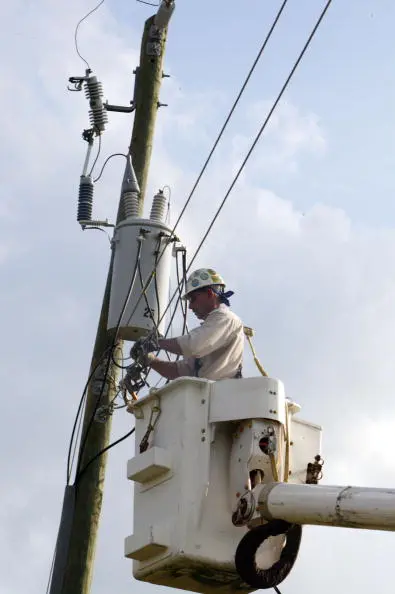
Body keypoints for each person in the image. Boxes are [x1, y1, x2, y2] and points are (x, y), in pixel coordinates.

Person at [137, 268, 244, 381]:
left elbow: (193, 345)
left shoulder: (226, 318)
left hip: (222, 393)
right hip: (207, 394)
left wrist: (157, 343)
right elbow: (179, 371)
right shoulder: (211, 328)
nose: (190, 307)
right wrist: (150, 359)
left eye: (193, 299)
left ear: (209, 294)